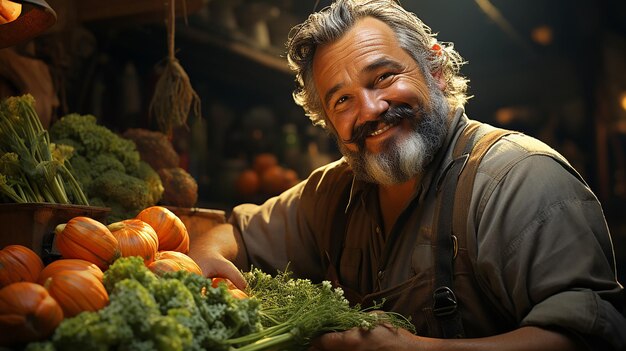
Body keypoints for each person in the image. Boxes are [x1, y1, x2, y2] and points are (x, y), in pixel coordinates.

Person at [189, 0, 626, 349]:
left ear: (434, 69)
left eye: (383, 76)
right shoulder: (334, 190)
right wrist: (207, 257)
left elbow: (588, 336)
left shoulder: (519, 179)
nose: (369, 110)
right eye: (342, 101)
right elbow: (236, 234)